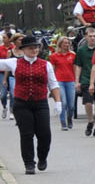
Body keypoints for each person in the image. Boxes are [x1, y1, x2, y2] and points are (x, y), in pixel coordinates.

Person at [0, 34, 62, 174]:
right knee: (26, 134)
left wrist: (58, 102)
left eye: (36, 48)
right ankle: (29, 163)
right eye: (30, 48)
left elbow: (53, 84)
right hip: (22, 103)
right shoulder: (14, 62)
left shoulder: (46, 64)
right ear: (23, 50)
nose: (34, 50)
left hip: (40, 103)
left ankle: (42, 157)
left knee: (44, 134)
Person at [74, 26, 95, 137]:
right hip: (86, 78)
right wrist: (77, 81)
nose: (92, 38)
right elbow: (78, 66)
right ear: (86, 37)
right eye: (90, 36)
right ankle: (90, 120)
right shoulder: (81, 50)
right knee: (88, 102)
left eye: (94, 36)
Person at [48, 35, 77, 130]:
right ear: (60, 44)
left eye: (68, 43)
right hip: (59, 81)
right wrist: (51, 82)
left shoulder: (73, 55)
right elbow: (52, 70)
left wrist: (77, 80)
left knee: (71, 105)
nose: (67, 45)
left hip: (70, 80)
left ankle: (69, 118)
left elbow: (75, 68)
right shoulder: (54, 56)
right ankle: (63, 123)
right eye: (65, 43)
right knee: (63, 102)